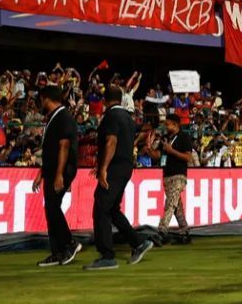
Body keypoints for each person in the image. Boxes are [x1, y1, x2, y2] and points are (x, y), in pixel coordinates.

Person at [85, 86, 154, 269]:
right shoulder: (128, 119)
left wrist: (103, 168)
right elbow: (135, 136)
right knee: (112, 209)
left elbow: (112, 141)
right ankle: (138, 242)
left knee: (101, 207)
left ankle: (107, 255)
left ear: (105, 100)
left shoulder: (112, 116)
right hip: (125, 166)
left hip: (114, 168)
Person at [35, 85, 81, 267]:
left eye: (41, 99)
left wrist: (59, 174)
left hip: (61, 170)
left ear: (46, 98)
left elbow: (63, 146)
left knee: (53, 207)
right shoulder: (54, 117)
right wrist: (42, 173)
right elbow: (51, 149)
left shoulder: (63, 117)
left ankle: (70, 243)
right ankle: (57, 252)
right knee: (50, 209)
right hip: (53, 170)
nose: (40, 103)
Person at [154, 113, 194, 244]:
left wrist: (171, 151)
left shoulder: (184, 137)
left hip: (179, 175)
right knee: (176, 205)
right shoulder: (165, 138)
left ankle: (161, 230)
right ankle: (184, 229)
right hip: (167, 175)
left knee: (170, 203)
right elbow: (158, 155)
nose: (165, 126)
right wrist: (149, 149)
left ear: (176, 125)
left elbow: (188, 158)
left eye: (168, 124)